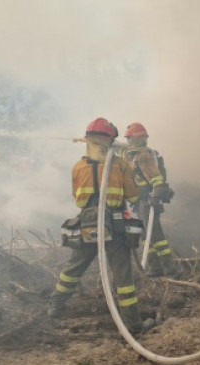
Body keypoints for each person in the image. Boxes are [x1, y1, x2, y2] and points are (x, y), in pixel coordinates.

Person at [48, 118, 154, 335]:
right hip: (115, 227)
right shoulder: (120, 164)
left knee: (73, 269)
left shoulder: (78, 167)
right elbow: (133, 194)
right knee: (123, 278)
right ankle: (133, 325)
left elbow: (77, 199)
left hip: (87, 224)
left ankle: (54, 306)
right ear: (110, 141)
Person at [120, 122, 182, 278]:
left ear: (134, 139)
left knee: (155, 235)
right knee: (145, 235)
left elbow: (157, 180)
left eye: (130, 139)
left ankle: (172, 269)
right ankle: (155, 268)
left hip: (147, 200)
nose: (129, 142)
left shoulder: (143, 156)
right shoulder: (132, 155)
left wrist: (155, 198)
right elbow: (120, 151)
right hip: (139, 201)